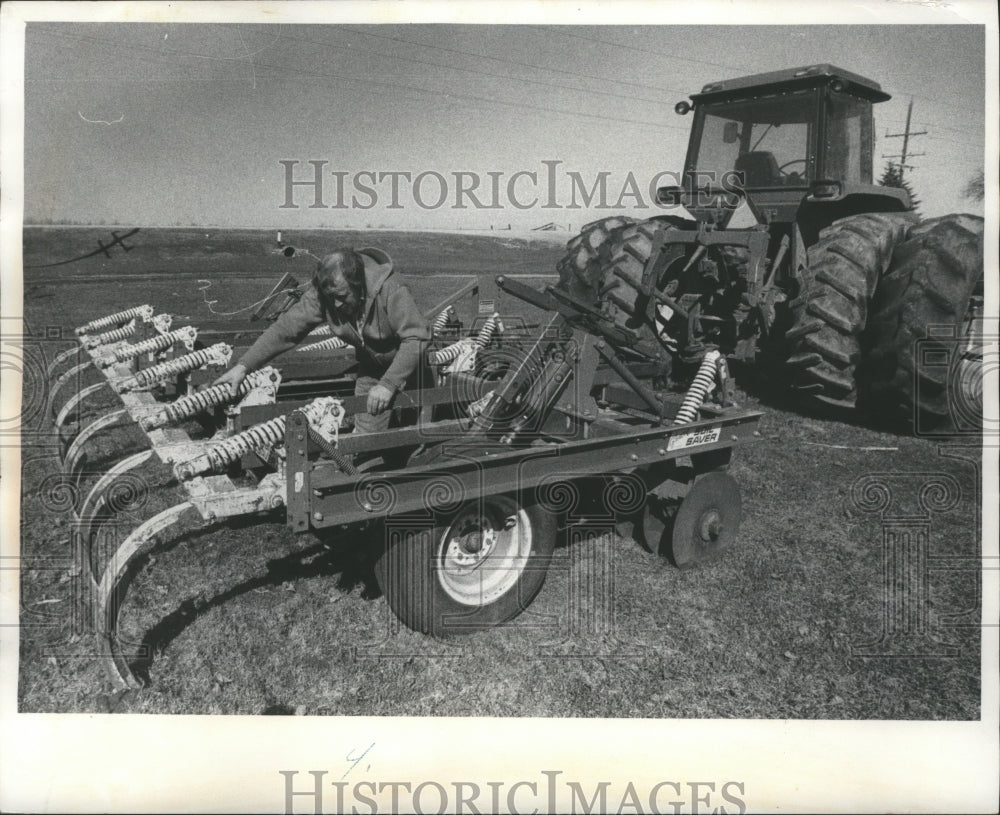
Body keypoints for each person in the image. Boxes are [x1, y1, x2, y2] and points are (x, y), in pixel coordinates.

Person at [214, 247, 431, 433]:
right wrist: (244, 366)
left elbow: (416, 338)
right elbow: (287, 328)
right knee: (366, 440)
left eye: (342, 297)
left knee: (415, 440)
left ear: (359, 285)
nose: (335, 305)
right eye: (331, 299)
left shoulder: (391, 289)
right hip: (371, 368)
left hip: (410, 368)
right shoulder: (325, 293)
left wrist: (389, 384)